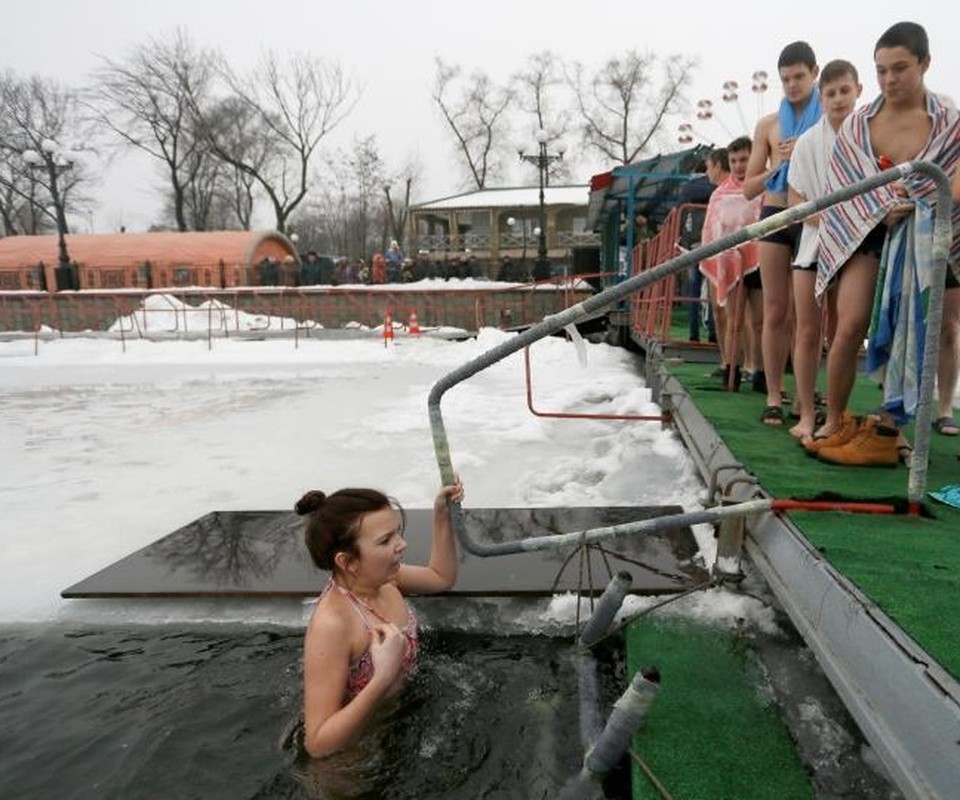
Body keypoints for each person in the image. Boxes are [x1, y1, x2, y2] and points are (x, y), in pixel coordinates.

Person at [808, 21, 960, 466]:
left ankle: (893, 426)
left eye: (900, 69)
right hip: (868, 231)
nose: (890, 80)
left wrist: (920, 201)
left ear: (925, 64)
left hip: (928, 235)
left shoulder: (949, 122)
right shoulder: (858, 125)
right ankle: (834, 418)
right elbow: (844, 187)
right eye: (881, 71)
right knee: (850, 324)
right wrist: (880, 207)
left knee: (923, 330)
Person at [296, 477, 465, 759]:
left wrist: (441, 516)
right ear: (347, 561)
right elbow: (317, 744)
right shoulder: (334, 624)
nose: (402, 545)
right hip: (356, 756)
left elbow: (441, 577)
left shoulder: (385, 579)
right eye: (386, 540)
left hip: (400, 721)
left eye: (397, 532)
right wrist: (382, 677)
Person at [744, 41, 821, 424]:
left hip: (814, 217)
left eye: (799, 77)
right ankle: (774, 394)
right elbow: (748, 187)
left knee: (812, 317)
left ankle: (805, 400)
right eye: (786, 79)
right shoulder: (769, 126)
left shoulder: (832, 116)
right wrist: (782, 162)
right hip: (776, 213)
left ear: (814, 73)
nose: (792, 85)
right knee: (776, 310)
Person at [786, 60, 862, 442]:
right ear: (822, 97)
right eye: (830, 93)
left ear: (858, 91)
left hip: (858, 243)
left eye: (844, 91)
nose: (838, 99)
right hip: (813, 245)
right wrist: (825, 219)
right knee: (807, 330)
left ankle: (836, 412)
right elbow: (795, 197)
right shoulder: (807, 143)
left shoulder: (868, 135)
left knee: (843, 330)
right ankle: (805, 411)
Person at [699, 137, 763, 388]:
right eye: (734, 161)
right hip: (729, 262)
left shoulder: (764, 189)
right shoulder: (719, 194)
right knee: (732, 321)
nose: (738, 166)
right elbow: (711, 230)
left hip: (758, 260)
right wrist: (716, 259)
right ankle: (730, 371)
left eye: (744, 160)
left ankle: (759, 372)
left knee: (760, 321)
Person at [678, 157, 719, 343]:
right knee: (712, 289)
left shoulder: (688, 188)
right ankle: (712, 332)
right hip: (713, 242)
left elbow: (680, 213)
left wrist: (681, 241)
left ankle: (693, 334)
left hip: (693, 244)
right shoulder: (716, 186)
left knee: (693, 289)